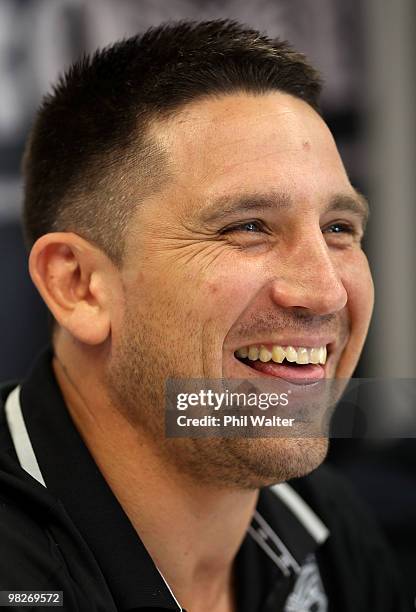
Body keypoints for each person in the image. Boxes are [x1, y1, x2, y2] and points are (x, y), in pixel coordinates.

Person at [0, 19, 409, 612]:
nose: (326, 293)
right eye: (248, 227)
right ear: (80, 286)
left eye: (339, 229)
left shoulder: (326, 524)